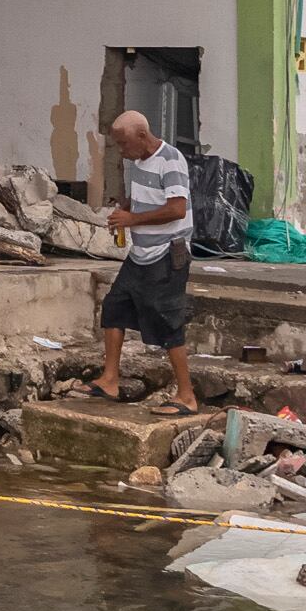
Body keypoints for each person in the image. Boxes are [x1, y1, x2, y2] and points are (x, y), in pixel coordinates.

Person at [92, 110, 198, 408]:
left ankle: (187, 395)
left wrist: (133, 219)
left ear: (142, 136)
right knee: (114, 307)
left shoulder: (171, 160)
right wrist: (125, 210)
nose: (123, 153)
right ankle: (109, 379)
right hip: (140, 253)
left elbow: (176, 209)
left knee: (168, 320)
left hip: (167, 253)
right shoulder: (139, 162)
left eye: (124, 145)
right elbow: (142, 197)